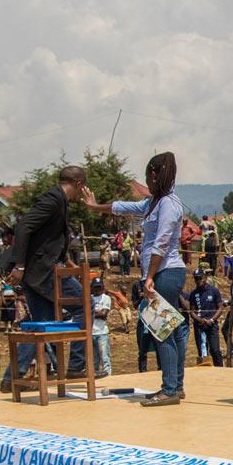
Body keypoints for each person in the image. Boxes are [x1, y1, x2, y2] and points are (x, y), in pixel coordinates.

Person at [82, 153, 187, 406]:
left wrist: (149, 277)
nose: (146, 182)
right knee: (171, 330)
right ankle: (175, 386)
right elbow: (124, 206)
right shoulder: (153, 203)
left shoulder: (169, 204)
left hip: (165, 273)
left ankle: (169, 390)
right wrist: (95, 206)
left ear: (154, 175)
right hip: (161, 272)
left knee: (162, 331)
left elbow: (162, 242)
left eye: (147, 177)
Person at [1, 166, 89, 391]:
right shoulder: (53, 199)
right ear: (78, 184)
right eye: (83, 187)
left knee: (42, 324)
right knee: (85, 305)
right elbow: (24, 226)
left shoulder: (60, 201)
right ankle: (77, 365)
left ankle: (12, 378)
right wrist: (19, 264)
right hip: (43, 271)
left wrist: (70, 264)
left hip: (36, 273)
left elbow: (49, 240)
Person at [187, 268, 225, 366]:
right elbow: (192, 311)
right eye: (196, 279)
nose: (198, 281)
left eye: (200, 278)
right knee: (202, 352)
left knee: (215, 350)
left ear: (205, 278)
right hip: (199, 326)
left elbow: (220, 308)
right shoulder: (193, 294)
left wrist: (211, 320)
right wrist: (200, 320)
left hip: (212, 324)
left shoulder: (214, 291)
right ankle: (203, 371)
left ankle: (220, 369)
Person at [131, 278, 161, 372]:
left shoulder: (155, 299)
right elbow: (135, 306)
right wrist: (141, 297)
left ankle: (161, 368)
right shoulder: (142, 301)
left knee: (158, 348)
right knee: (142, 350)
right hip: (144, 326)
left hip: (154, 324)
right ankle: (142, 370)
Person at [89, 277, 112, 378]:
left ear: (102, 287)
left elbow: (103, 314)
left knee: (104, 357)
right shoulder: (89, 298)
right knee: (94, 359)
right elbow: (85, 312)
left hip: (102, 332)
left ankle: (108, 376)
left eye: (99, 287)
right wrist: (96, 312)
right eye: (95, 287)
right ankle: (96, 377)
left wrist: (91, 312)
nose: (97, 289)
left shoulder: (106, 298)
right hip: (91, 332)